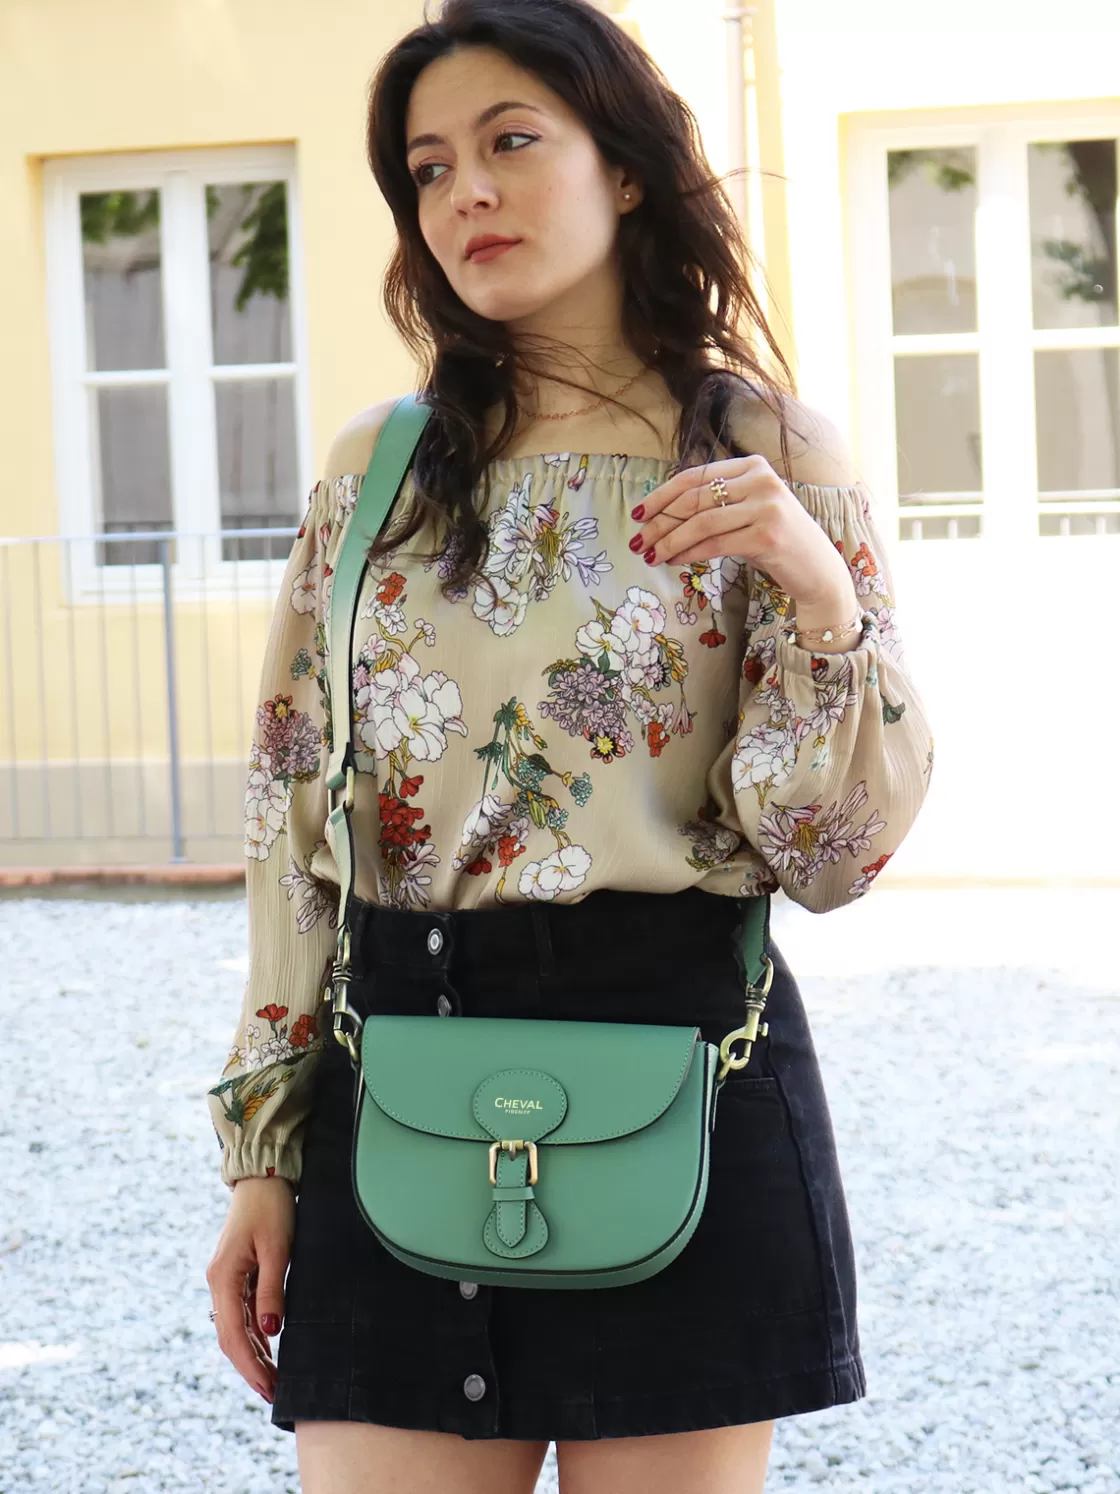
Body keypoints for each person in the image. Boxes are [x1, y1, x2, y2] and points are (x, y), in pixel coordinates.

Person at [205, 2, 934, 1490]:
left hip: (688, 1083)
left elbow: (830, 856)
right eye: (428, 168)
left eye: (511, 141)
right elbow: (292, 817)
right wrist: (265, 1153)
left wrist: (819, 595)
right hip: (396, 1078)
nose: (465, 192)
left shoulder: (771, 459)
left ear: (628, 168)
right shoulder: (376, 474)